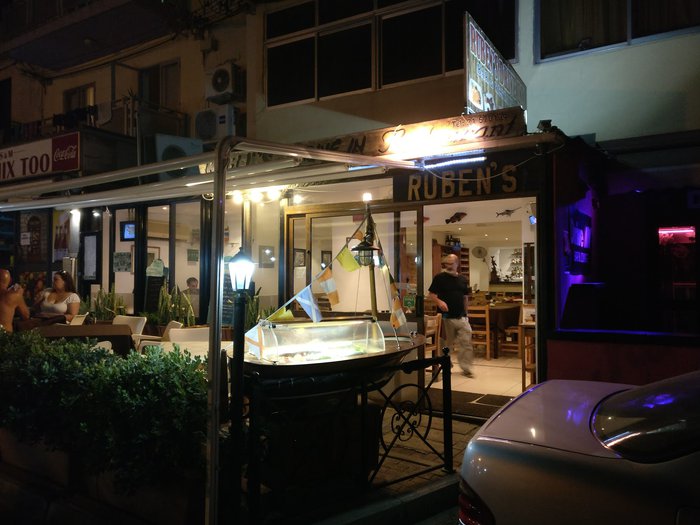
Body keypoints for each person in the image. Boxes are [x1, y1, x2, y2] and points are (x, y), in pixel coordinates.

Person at [427, 253, 475, 377]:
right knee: (445, 345)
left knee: (466, 343)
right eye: (446, 263)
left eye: (451, 263)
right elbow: (431, 294)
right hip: (445, 317)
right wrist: (439, 302)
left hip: (461, 317)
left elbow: (465, 297)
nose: (448, 265)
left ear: (457, 264)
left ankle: (466, 368)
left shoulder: (463, 279)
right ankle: (446, 366)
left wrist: (466, 314)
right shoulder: (439, 278)